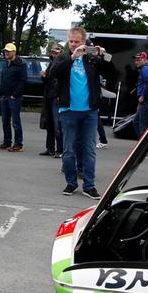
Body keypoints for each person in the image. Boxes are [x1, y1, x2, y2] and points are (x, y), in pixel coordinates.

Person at [52, 26, 114, 199]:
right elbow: (53, 74)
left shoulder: (92, 59)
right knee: (69, 150)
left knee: (89, 150)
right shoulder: (65, 57)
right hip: (68, 110)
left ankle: (89, 185)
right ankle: (71, 183)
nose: (73, 44)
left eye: (77, 42)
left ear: (84, 41)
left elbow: (112, 74)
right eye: (71, 41)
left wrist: (103, 56)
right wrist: (72, 57)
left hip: (89, 111)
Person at [0, 42, 27, 152]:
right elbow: (2, 80)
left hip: (14, 97)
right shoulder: (6, 63)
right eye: (5, 51)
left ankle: (18, 144)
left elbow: (23, 81)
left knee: (15, 121)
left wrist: (15, 95)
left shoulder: (20, 64)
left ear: (14, 52)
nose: (6, 53)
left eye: (9, 51)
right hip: (4, 96)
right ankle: (7, 142)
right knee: (5, 120)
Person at [39, 44, 63, 156]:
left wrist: (59, 95)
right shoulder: (51, 64)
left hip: (56, 97)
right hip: (48, 96)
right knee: (49, 124)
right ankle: (50, 148)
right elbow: (48, 81)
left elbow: (61, 82)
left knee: (57, 124)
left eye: (56, 52)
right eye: (53, 52)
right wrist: (43, 77)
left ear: (60, 52)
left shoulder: (62, 64)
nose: (54, 54)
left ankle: (60, 149)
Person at [133, 51, 148, 138]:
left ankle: (144, 148)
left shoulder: (145, 68)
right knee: (137, 122)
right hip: (144, 100)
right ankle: (142, 145)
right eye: (135, 60)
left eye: (139, 59)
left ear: (145, 59)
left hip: (145, 100)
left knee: (142, 124)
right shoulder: (146, 68)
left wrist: (143, 95)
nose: (136, 61)